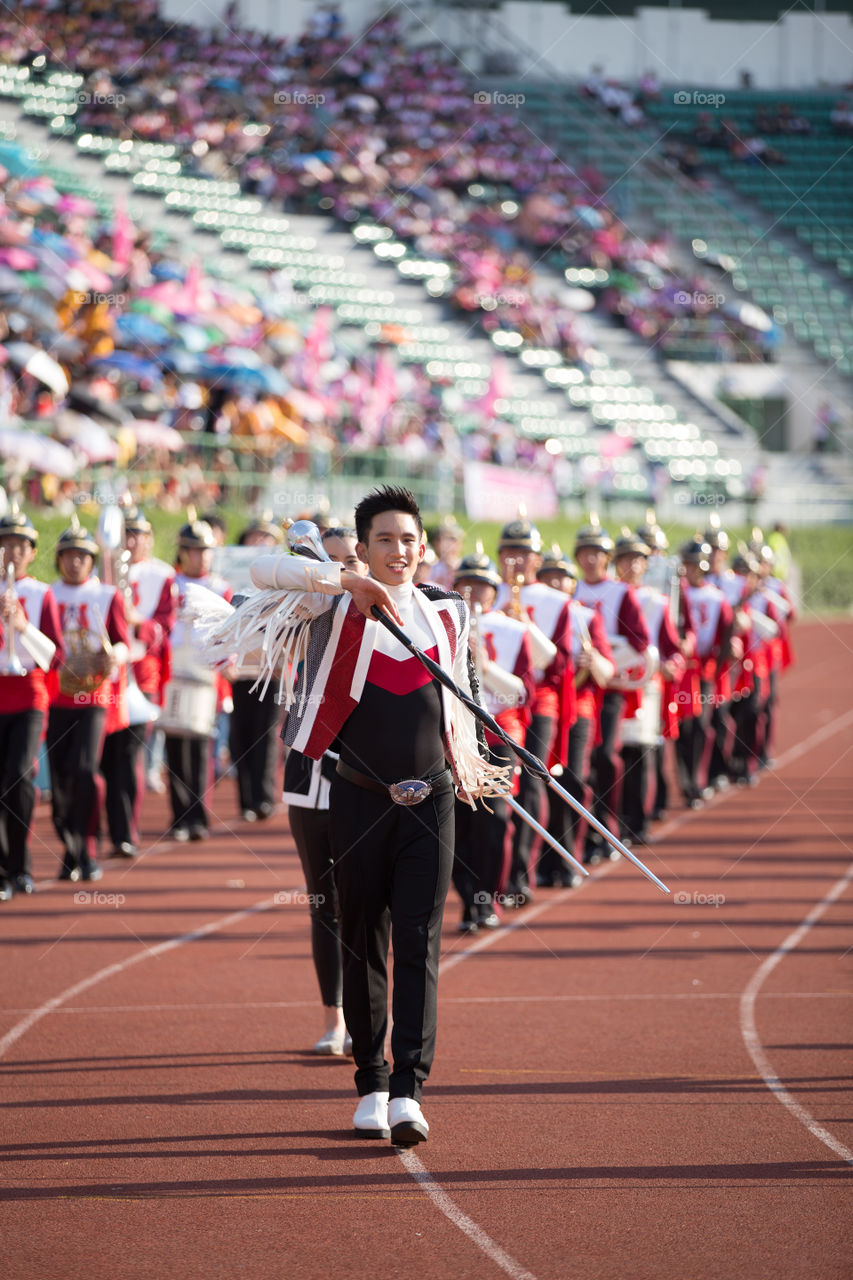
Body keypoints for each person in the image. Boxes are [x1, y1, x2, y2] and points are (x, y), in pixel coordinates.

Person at [239, 486, 510, 1146]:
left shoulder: (447, 614)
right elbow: (259, 570)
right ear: (363, 547)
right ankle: (373, 1084)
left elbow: (462, 701)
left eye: (408, 540)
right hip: (359, 799)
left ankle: (410, 1090)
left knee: (419, 941)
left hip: (432, 802)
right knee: (363, 938)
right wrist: (346, 580)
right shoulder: (331, 607)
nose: (398, 550)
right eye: (384, 539)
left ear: (424, 549)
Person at [283, 526, 366, 1056]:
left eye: (349, 560)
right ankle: (334, 1018)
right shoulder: (299, 611)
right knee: (323, 903)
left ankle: (367, 1014)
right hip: (307, 773)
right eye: (327, 560)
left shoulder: (381, 615)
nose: (338, 570)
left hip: (363, 773)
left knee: (365, 903)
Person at [452, 550, 534, 929]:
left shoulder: (513, 630)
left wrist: (485, 667)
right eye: (465, 585)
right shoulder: (441, 626)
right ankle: (469, 899)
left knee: (494, 819)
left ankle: (487, 900)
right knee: (457, 825)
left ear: (494, 591)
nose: (473, 593)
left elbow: (524, 693)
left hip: (499, 733)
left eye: (481, 585)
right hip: (455, 735)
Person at [494, 519, 573, 904]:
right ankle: (492, 873)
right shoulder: (486, 592)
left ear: (537, 559)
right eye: (509, 553)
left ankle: (521, 874)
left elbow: (560, 665)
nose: (516, 561)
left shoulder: (555, 601)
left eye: (524, 554)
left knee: (529, 784)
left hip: (539, 702)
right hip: (494, 701)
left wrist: (524, 624)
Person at [48, 519, 129, 882]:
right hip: (56, 697)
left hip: (95, 696)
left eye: (82, 555)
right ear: (58, 559)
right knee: (60, 778)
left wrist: (115, 657)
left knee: (85, 770)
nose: (75, 562)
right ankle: (70, 848)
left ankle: (87, 849)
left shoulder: (108, 595)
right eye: (68, 555)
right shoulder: (47, 594)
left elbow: (123, 641)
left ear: (92, 560)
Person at [573, 517, 650, 863]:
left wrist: (605, 663)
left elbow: (640, 642)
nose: (591, 559)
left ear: (607, 558)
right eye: (585, 553)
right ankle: (583, 833)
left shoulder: (621, 592)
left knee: (605, 755)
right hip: (577, 690)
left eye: (597, 553)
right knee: (578, 762)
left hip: (611, 688)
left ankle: (607, 828)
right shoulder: (570, 590)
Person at [0, 508, 64, 899]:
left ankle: (19, 865)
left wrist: (23, 626)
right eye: (5, 545)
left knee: (19, 776)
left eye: (20, 546)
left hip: (28, 693)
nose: (12, 552)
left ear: (32, 552)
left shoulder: (42, 593)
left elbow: (55, 655)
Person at [163, 518, 232, 842]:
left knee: (201, 747)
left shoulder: (220, 586)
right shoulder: (170, 584)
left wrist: (227, 662)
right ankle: (179, 817)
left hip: (206, 675)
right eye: (193, 550)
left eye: (205, 550)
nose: (200, 556)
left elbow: (230, 630)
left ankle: (199, 815)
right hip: (174, 672)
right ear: (182, 552)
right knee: (175, 744)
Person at [229, 516, 285, 822]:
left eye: (267, 537)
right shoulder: (230, 577)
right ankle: (246, 800)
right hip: (240, 670)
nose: (261, 543)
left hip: (270, 667)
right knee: (240, 736)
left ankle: (263, 797)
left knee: (266, 734)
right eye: (255, 536)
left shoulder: (282, 580)